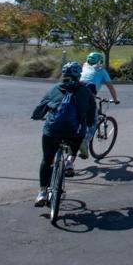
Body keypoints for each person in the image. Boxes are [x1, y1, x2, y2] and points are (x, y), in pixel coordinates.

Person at [31, 62, 95, 207]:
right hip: (75, 133)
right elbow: (91, 117)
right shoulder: (86, 92)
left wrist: (38, 116)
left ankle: (42, 193)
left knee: (47, 160)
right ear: (79, 76)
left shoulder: (54, 89)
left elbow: (40, 109)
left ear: (63, 75)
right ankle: (69, 163)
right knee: (79, 136)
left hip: (52, 132)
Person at [78, 52, 120, 159]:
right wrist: (115, 99)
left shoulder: (83, 67)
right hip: (88, 98)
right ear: (100, 61)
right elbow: (110, 87)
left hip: (76, 95)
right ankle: (85, 142)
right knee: (93, 121)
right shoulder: (101, 71)